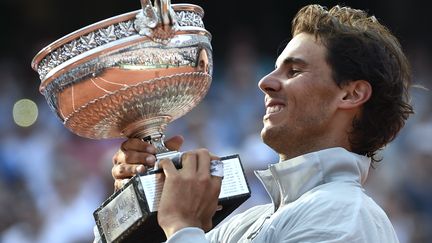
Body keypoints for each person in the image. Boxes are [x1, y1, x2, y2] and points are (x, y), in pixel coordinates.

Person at [108, 4, 413, 242]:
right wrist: (137, 210)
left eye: (294, 71)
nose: (264, 82)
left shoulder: (344, 216)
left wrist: (183, 226)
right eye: (276, 68)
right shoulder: (247, 224)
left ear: (350, 94)